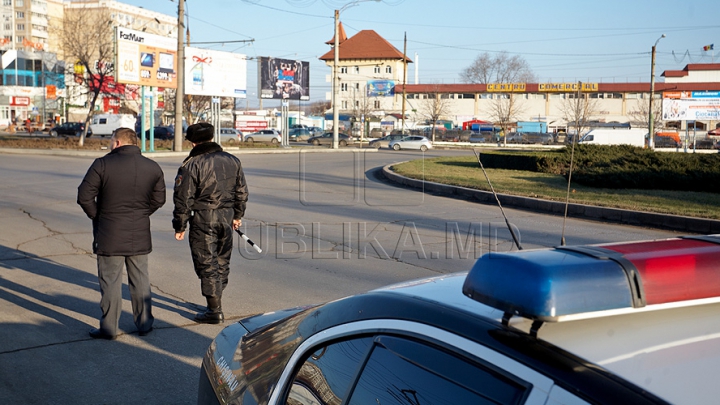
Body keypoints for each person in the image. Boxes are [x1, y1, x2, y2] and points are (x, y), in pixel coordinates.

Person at [77, 128, 166, 340]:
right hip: (139, 232)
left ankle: (109, 328)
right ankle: (144, 324)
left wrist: (98, 216)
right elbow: (159, 199)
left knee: (110, 282)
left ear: (117, 143)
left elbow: (84, 196)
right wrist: (141, 213)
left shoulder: (102, 164)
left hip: (109, 233)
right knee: (140, 280)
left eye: (110, 140)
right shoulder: (152, 167)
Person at [172, 122, 248, 324]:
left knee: (206, 263)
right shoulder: (233, 160)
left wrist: (180, 225)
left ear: (193, 142)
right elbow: (241, 191)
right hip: (226, 217)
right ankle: (215, 302)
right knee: (221, 260)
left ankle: (214, 310)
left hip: (204, 218)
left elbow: (183, 198)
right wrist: (237, 215)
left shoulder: (191, 164)